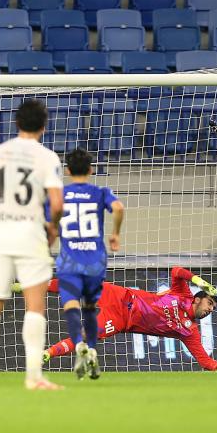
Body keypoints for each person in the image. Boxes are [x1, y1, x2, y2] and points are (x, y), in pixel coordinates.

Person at [0, 99, 65, 391]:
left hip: (0, 238)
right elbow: (57, 203)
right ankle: (34, 377)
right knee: (34, 307)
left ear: (17, 123)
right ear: (43, 126)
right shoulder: (48, 158)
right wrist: (52, 227)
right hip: (31, 236)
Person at [43, 267, 217, 372]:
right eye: (209, 303)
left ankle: (49, 353)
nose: (210, 309)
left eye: (213, 308)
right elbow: (176, 271)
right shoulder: (183, 294)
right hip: (122, 296)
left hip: (121, 320)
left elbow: (205, 362)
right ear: (198, 299)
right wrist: (198, 280)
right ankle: (33, 285)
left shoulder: (189, 331)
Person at [53, 148, 124, 380]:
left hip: (70, 261)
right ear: (91, 170)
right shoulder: (101, 192)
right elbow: (119, 208)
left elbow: (51, 216)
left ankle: (78, 345)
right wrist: (115, 234)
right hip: (95, 261)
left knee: (71, 305)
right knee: (91, 308)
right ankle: (91, 349)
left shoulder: (59, 194)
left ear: (67, 170)